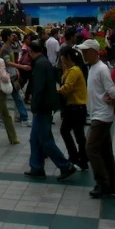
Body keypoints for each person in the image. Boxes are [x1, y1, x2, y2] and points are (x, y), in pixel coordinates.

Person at [24, 40, 77, 181]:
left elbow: (39, 88)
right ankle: (36, 167)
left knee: (45, 140)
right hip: (45, 106)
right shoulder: (44, 62)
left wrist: (34, 105)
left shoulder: (40, 64)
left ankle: (66, 166)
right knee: (35, 139)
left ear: (31, 51)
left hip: (42, 107)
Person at [76, 38, 115, 198]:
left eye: (85, 51)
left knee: (91, 148)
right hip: (99, 114)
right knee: (105, 151)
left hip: (102, 116)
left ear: (94, 52)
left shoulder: (101, 69)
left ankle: (103, 183)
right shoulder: (93, 67)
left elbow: (113, 92)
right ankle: (113, 184)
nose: (83, 53)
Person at [57, 45, 88, 171]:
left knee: (66, 131)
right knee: (78, 133)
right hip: (76, 107)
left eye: (62, 57)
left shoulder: (74, 70)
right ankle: (82, 159)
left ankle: (76, 157)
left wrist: (56, 91)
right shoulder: (71, 70)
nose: (61, 59)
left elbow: (67, 87)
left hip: (76, 107)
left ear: (67, 57)